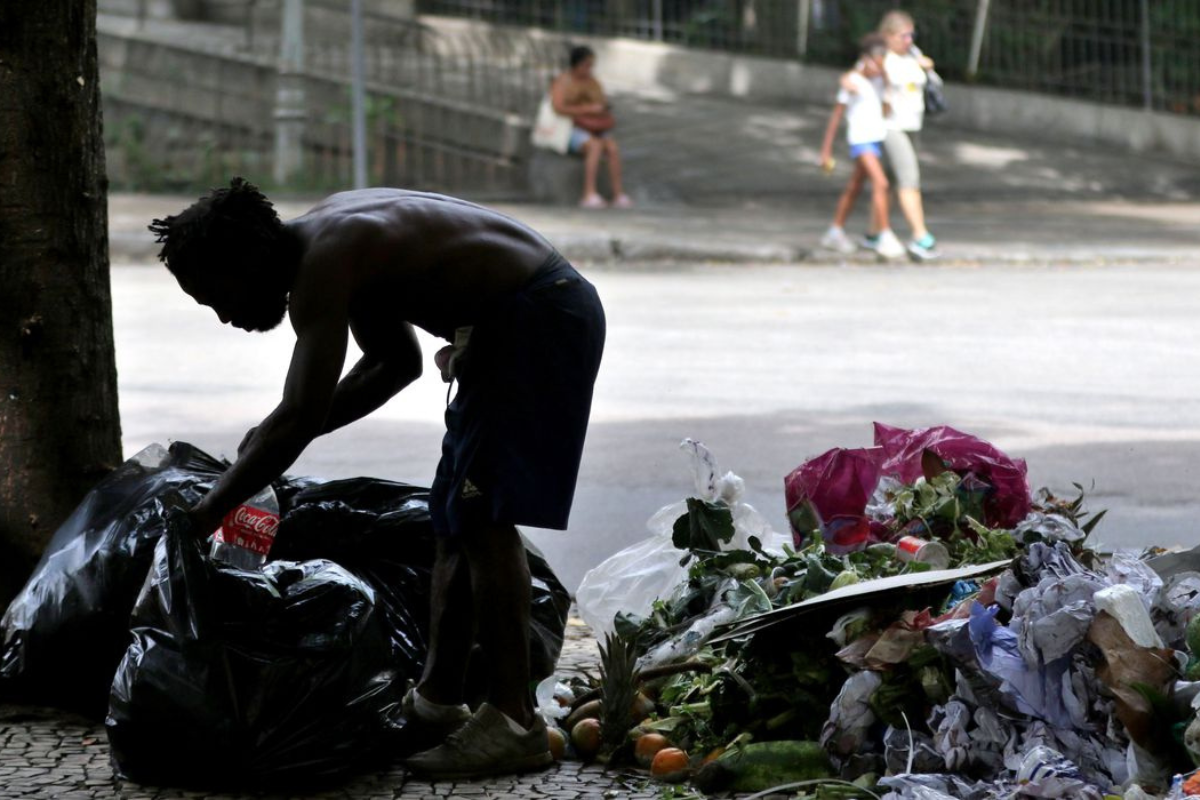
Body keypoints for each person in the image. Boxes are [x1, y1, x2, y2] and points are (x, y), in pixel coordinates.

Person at [148, 178, 606, 779]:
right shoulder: (334, 243)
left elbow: (303, 410)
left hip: (538, 317)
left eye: (218, 296)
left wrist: (209, 509)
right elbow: (394, 364)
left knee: (484, 518)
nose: (226, 316)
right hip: (515, 321)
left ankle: (514, 720)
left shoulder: (327, 259)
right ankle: (437, 703)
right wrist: (268, 441)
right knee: (455, 519)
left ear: (247, 260)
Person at [818, 34, 906, 261]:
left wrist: (885, 82)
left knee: (855, 186)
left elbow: (886, 111)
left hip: (874, 139)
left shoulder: (879, 81)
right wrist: (825, 150)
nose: (880, 64)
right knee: (881, 182)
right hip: (860, 140)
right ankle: (884, 235)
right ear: (866, 59)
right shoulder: (852, 82)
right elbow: (836, 117)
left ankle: (834, 231)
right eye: (877, 60)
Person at [878, 9, 939, 261]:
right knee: (909, 179)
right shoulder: (883, 59)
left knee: (887, 182)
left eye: (911, 35)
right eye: (903, 36)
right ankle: (920, 235)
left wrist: (926, 66)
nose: (909, 41)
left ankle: (874, 232)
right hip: (891, 126)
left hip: (912, 124)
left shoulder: (912, 55)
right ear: (889, 36)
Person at [550, 45, 633, 209]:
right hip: (570, 128)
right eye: (586, 65)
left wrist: (599, 109)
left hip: (594, 127)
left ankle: (618, 194)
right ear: (577, 64)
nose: (589, 69)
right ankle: (589, 193)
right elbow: (558, 107)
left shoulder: (593, 82)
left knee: (612, 147)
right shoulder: (563, 81)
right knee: (594, 146)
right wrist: (586, 109)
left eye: (591, 65)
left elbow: (602, 102)